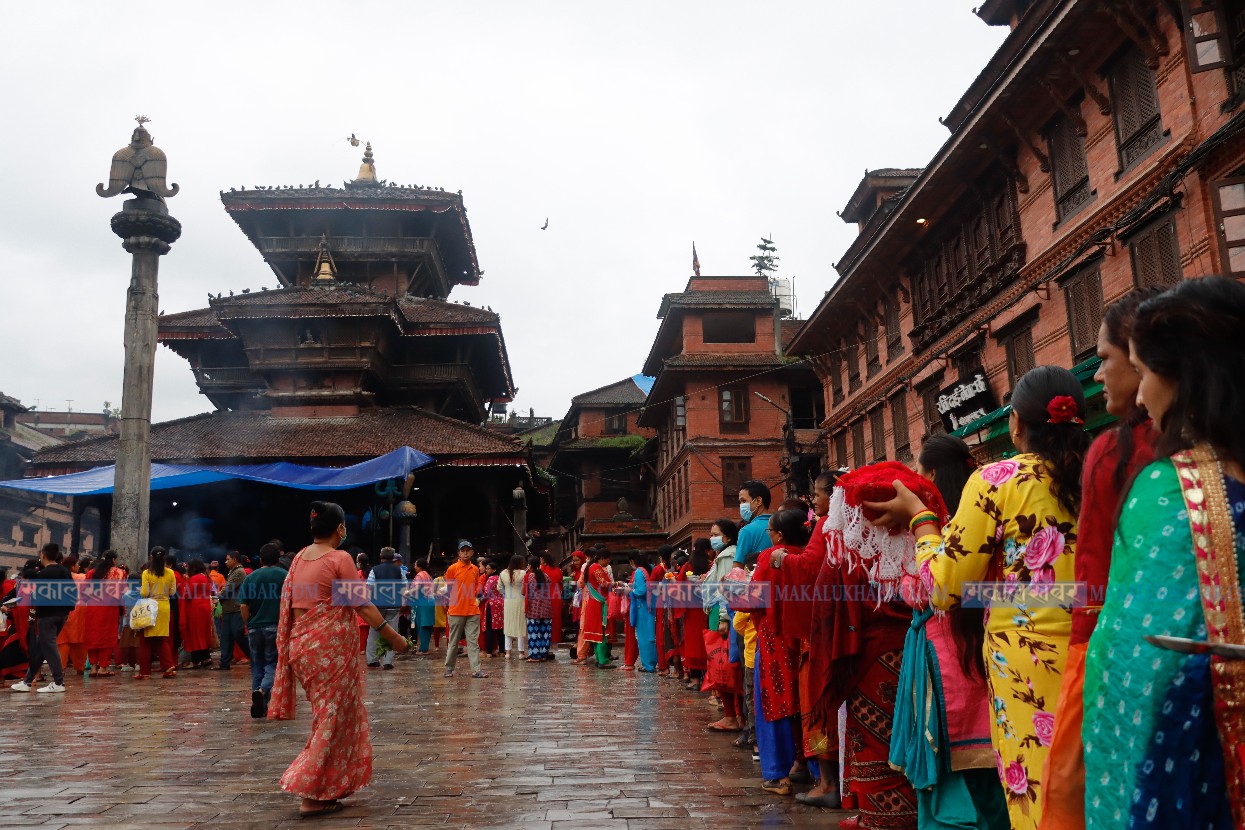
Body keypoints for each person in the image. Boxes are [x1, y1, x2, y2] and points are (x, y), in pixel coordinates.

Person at [867, 366, 1089, 830]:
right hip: (1099, 646)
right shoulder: (1109, 470)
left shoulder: (996, 479)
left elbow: (945, 588)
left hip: (1024, 661)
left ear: (1015, 424)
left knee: (1037, 788)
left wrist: (922, 521)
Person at [1083, 276, 1245, 829]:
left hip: (1193, 751)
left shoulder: (1166, 491)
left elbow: (1128, 657)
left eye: (1145, 371)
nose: (1143, 390)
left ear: (1182, 379)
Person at [1040, 287, 1161, 830]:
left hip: (1112, 655)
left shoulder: (1116, 452)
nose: (1098, 376)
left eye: (1107, 360)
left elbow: (1092, 578)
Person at [889, 435, 1009, 829]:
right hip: (990, 649)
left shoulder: (939, 527)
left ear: (933, 475)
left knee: (957, 778)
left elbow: (928, 590)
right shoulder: (991, 513)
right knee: (996, 779)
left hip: (946, 657)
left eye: (919, 472)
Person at [268, 500, 408, 818]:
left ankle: (328, 786)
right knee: (331, 718)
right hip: (327, 650)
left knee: (326, 715)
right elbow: (361, 605)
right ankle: (309, 789)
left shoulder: (300, 558)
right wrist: (394, 637)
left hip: (301, 646)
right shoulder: (339, 557)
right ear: (340, 528)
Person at [10, 544, 77, 693]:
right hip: (62, 614)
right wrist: (67, 609)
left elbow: (37, 597)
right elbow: (73, 593)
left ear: (43, 555)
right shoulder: (65, 571)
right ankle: (27, 681)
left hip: (47, 616)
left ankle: (59, 682)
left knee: (50, 648)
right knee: (41, 648)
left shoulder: (43, 574)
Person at [704, 519, 743, 731]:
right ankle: (734, 715)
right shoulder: (723, 556)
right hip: (718, 614)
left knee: (724, 664)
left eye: (715, 533)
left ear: (726, 537)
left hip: (722, 616)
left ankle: (732, 716)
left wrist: (723, 618)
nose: (712, 538)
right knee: (724, 663)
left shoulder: (728, 556)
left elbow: (726, 589)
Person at [240, 542, 287, 718]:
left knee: (257, 664)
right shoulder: (284, 576)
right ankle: (263, 690)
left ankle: (259, 700)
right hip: (276, 626)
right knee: (273, 663)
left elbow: (243, 605)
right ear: (278, 558)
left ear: (260, 558)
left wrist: (249, 622)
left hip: (254, 627)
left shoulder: (251, 577)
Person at [442, 540, 485, 678]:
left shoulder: (475, 569)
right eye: (463, 551)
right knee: (453, 642)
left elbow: (477, 585)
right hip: (456, 610)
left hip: (472, 610)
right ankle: (449, 668)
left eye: (468, 550)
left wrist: (477, 597)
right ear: (459, 553)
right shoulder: (452, 569)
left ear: (472, 553)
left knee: (473, 642)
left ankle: (476, 670)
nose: (465, 553)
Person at [134, 547, 179, 680]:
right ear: (164, 558)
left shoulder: (147, 573)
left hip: (150, 606)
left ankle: (145, 672)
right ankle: (168, 666)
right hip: (164, 606)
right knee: (162, 639)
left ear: (151, 557)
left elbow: (144, 593)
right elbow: (172, 592)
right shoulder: (171, 573)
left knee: (146, 640)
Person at [81, 551, 124, 677]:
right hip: (109, 608)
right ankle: (103, 667)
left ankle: (94, 666)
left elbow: (84, 592)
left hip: (93, 607)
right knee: (107, 636)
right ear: (114, 560)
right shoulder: (118, 572)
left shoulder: (91, 573)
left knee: (93, 636)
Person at [365, 547, 403, 670]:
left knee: (374, 631)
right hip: (394, 605)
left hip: (377, 606)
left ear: (381, 557)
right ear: (393, 558)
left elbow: (369, 588)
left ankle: (372, 660)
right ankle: (388, 661)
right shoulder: (399, 571)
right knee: (392, 632)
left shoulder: (374, 570)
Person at [213, 551, 251, 670]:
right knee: (226, 637)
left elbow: (228, 589)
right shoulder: (233, 571)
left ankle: (254, 656)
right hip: (229, 609)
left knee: (238, 634)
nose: (225, 562)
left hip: (235, 609)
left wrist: (219, 595)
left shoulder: (239, 572)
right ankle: (224, 663)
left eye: (227, 559)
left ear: (234, 560)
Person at [580, 547, 614, 669]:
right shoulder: (597, 568)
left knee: (596, 633)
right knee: (601, 632)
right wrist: (616, 584)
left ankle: (600, 658)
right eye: (608, 559)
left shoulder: (591, 566)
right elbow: (603, 583)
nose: (608, 562)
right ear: (602, 558)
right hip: (598, 603)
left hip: (593, 601)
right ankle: (603, 660)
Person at [55, 553, 88, 675]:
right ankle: (80, 666)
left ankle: (60, 667)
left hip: (64, 609)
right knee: (80, 639)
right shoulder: (83, 577)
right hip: (80, 610)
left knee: (63, 640)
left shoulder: (60, 577)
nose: (78, 566)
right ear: (72, 566)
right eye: (77, 564)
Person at [180, 560, 216, 669]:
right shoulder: (206, 578)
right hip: (205, 606)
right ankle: (206, 658)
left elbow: (188, 594)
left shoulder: (195, 578)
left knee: (195, 633)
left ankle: (195, 661)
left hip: (196, 607)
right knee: (203, 633)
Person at [626, 551, 657, 672]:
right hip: (653, 604)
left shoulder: (639, 572)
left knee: (643, 636)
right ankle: (653, 662)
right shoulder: (652, 569)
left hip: (642, 606)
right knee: (652, 635)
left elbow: (641, 591)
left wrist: (631, 591)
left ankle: (647, 664)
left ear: (633, 561)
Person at [734, 480, 773, 566]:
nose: (741, 506)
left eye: (744, 501)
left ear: (758, 501)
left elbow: (737, 570)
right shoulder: (781, 525)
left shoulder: (747, 531)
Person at [524, 556, 553, 662]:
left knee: (534, 633)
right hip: (546, 608)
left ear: (530, 566)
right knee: (545, 632)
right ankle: (543, 654)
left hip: (533, 608)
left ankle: (535, 656)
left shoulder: (530, 576)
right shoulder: (545, 575)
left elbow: (524, 591)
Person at [498, 554, 527, 658]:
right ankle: (521, 652)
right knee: (520, 625)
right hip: (520, 600)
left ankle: (508, 652)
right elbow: (526, 587)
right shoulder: (523, 573)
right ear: (520, 563)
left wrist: (506, 593)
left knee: (508, 625)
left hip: (508, 601)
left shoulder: (503, 573)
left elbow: (499, 588)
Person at [409, 558, 437, 655]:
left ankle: (423, 649)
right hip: (430, 602)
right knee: (427, 626)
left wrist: (406, 593)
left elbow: (416, 589)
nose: (414, 567)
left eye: (415, 565)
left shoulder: (420, 575)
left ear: (419, 567)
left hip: (422, 603)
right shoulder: (428, 575)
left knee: (422, 625)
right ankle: (425, 647)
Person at [540, 552, 565, 649]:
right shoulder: (558, 570)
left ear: (542, 559)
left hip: (545, 597)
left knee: (545, 620)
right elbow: (561, 584)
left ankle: (545, 642)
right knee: (556, 619)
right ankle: (555, 640)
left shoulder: (541, 569)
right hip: (556, 597)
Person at [480, 562, 504, 657]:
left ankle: (489, 651)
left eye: (488, 569)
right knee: (500, 628)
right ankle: (502, 650)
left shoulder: (490, 579)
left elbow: (486, 593)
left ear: (494, 570)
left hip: (491, 604)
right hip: (501, 604)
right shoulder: (500, 578)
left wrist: (480, 600)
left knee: (490, 628)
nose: (486, 570)